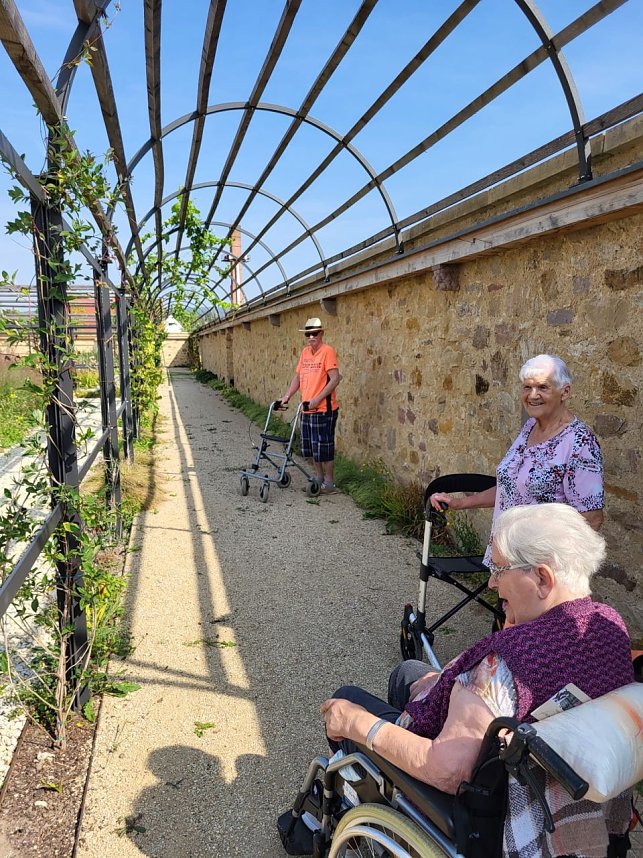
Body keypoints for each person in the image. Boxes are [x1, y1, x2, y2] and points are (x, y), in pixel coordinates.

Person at [320, 504, 634, 858]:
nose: (491, 581)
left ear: (543, 578)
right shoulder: (609, 627)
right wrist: (453, 688)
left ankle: (355, 813)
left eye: (500, 569)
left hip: (486, 811)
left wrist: (356, 723)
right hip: (556, 779)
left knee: (347, 700)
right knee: (408, 672)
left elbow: (449, 771)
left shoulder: (505, 663)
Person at [429, 354, 604, 566]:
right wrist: (460, 503)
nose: (533, 395)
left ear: (565, 391)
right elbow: (511, 488)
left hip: (541, 567)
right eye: (527, 387)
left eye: (543, 387)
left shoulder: (579, 442)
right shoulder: (530, 427)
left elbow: (591, 518)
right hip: (507, 560)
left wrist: (559, 574)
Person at [279, 317, 340, 494]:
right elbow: (298, 377)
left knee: (325, 446)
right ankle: (318, 477)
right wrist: (287, 396)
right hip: (307, 408)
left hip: (323, 409)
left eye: (315, 333)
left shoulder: (327, 351)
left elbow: (335, 379)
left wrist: (317, 399)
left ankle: (329, 483)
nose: (311, 337)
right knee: (313, 447)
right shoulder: (305, 352)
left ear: (322, 333)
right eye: (308, 334)